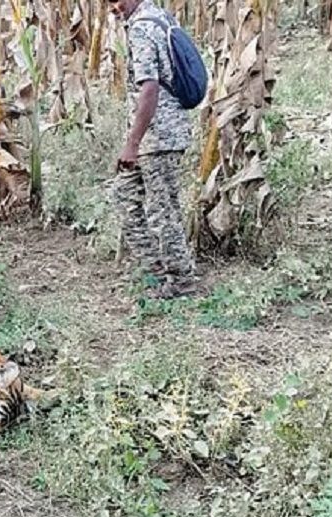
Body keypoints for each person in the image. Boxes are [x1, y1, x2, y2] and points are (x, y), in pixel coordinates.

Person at [110, 0, 199, 299]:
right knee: (123, 195)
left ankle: (182, 280)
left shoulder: (142, 26)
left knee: (163, 211)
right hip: (157, 135)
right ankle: (157, 271)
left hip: (158, 137)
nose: (112, 7)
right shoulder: (158, 15)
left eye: (115, 0)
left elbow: (150, 88)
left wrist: (132, 143)